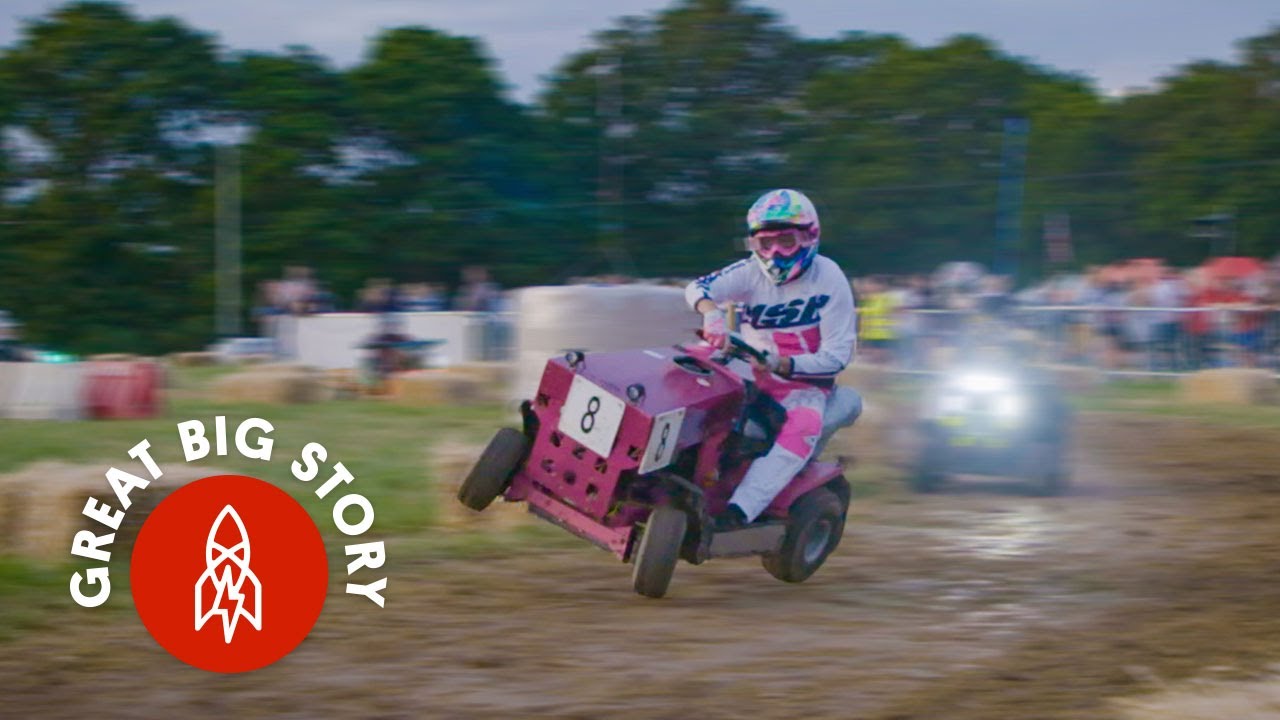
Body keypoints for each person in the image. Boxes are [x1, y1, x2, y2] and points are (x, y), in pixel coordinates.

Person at [685, 189, 858, 530]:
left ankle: (738, 512)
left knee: (805, 427)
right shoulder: (750, 271)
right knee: (686, 362)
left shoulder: (830, 277)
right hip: (746, 367)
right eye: (766, 245)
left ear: (810, 237)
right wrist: (711, 315)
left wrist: (784, 364)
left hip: (802, 385)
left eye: (786, 242)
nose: (775, 254)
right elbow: (697, 288)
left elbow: (838, 356)